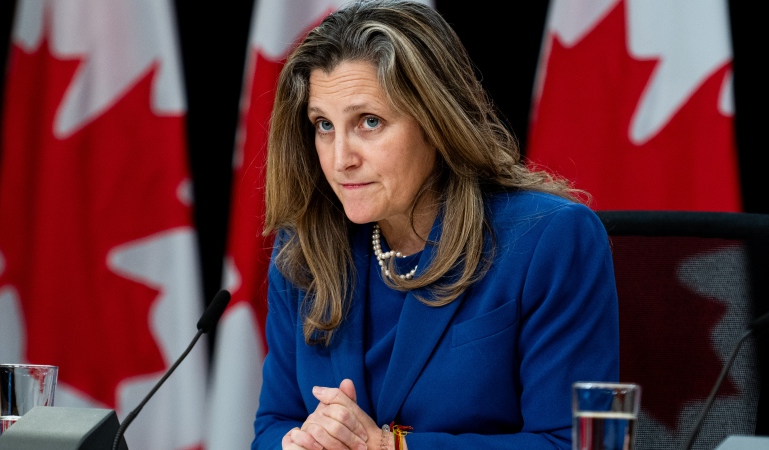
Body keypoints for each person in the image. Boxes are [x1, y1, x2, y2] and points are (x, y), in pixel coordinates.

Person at [253, 1, 619, 449]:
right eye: (324, 125)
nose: (340, 158)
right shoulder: (306, 247)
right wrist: (299, 445)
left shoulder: (550, 240)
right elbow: (274, 422)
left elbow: (571, 443)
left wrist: (393, 448)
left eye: (369, 122)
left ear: (436, 121)